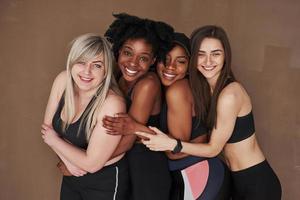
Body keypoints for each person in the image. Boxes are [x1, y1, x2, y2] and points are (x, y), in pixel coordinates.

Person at [136, 25, 282, 200]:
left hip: (256, 182)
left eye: (216, 53)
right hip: (237, 180)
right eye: (201, 54)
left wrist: (172, 144)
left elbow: (213, 149)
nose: (208, 61)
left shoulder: (230, 94)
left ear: (225, 56)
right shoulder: (204, 89)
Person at [41, 33, 129, 200]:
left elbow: (92, 164)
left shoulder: (112, 104)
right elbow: (47, 129)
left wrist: (55, 141)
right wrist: (68, 163)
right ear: (72, 63)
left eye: (96, 65)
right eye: (81, 62)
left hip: (104, 182)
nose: (87, 71)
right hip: (72, 174)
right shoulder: (63, 80)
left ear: (106, 71)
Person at [103, 13, 173, 200]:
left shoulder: (147, 84)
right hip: (125, 164)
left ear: (152, 61)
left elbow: (128, 140)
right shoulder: (118, 74)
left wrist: (87, 163)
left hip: (147, 168)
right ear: (118, 51)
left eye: (143, 58)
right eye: (127, 52)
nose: (133, 63)